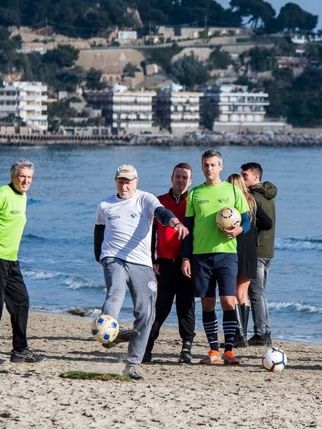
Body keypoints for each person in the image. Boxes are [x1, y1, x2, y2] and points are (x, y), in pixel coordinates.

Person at [95, 165, 188, 380]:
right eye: (121, 181)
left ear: (136, 181)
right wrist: (101, 258)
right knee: (115, 293)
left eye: (129, 181)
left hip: (141, 262)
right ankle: (107, 334)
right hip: (114, 257)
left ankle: (133, 363)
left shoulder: (145, 199)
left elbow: (162, 213)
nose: (125, 185)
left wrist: (175, 223)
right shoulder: (105, 205)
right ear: (116, 181)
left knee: (146, 313)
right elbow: (99, 233)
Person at [0, 160, 45, 365]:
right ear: (13, 176)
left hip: (11, 260)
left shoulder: (23, 196)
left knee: (22, 301)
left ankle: (20, 350)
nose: (26, 181)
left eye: (29, 177)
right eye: (22, 176)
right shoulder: (1, 193)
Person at [182, 150, 250, 365]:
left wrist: (239, 231)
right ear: (202, 167)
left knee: (229, 301)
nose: (209, 168)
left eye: (212, 164)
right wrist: (186, 258)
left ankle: (229, 350)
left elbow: (246, 221)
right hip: (201, 255)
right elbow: (188, 229)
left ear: (221, 166)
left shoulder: (233, 190)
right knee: (208, 302)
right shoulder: (195, 194)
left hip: (227, 253)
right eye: (205, 165)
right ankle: (213, 351)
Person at [144, 163, 197, 364]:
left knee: (186, 308)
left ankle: (186, 349)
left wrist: (192, 260)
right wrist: (151, 259)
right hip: (163, 265)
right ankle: (147, 348)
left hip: (187, 265)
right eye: (178, 176)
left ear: (190, 181)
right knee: (159, 307)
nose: (181, 180)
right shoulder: (160, 202)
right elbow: (150, 233)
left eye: (185, 177)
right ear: (171, 178)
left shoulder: (194, 202)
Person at [227, 173, 272, 348]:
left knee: (234, 292)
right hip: (251, 250)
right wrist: (255, 231)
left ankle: (240, 333)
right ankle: (242, 334)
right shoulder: (251, 202)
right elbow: (267, 223)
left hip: (236, 248)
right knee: (243, 293)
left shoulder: (232, 205)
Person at [240, 162, 278, 346]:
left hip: (257, 250)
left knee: (256, 292)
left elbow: (261, 223)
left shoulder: (253, 198)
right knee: (258, 291)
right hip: (267, 249)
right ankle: (262, 331)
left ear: (256, 177)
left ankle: (262, 332)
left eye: (245, 175)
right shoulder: (268, 195)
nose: (242, 178)